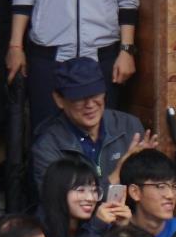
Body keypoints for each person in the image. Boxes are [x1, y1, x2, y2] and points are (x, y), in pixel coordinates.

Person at [8, 0, 140, 130]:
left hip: (101, 54)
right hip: (48, 54)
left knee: (101, 138)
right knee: (46, 135)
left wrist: (127, 49)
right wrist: (15, 46)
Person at [29, 57, 152, 193]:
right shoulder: (48, 146)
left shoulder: (129, 126)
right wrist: (118, 173)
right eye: (79, 97)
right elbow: (61, 204)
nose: (90, 104)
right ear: (59, 100)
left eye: (95, 94)